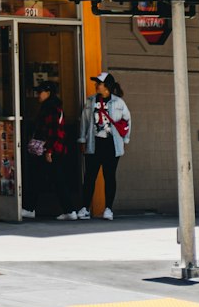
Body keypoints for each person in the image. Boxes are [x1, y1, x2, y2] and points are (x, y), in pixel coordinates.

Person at [77, 71, 131, 220]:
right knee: (89, 177)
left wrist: (125, 140)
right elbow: (84, 121)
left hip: (111, 144)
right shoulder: (90, 101)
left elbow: (127, 121)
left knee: (109, 176)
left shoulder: (118, 102)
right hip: (94, 143)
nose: (96, 86)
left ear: (107, 86)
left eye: (99, 83)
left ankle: (108, 209)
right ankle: (85, 208)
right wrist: (82, 139)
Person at [21, 81, 77, 220]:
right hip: (49, 150)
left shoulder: (51, 109)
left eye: (40, 92)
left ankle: (69, 211)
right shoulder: (51, 107)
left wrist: (49, 151)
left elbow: (55, 132)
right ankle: (31, 208)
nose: (37, 95)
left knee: (54, 180)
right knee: (40, 178)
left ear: (48, 92)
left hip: (50, 151)